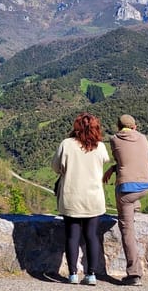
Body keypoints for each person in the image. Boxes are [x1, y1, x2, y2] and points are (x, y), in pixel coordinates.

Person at [52, 112, 110, 285]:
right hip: (93, 198)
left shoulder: (66, 144)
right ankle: (91, 274)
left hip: (71, 197)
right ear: (95, 128)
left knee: (72, 236)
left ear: (76, 127)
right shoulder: (100, 146)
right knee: (92, 236)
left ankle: (72, 274)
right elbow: (105, 161)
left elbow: (56, 167)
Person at [102, 114, 148, 286]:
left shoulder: (114, 139)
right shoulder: (144, 139)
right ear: (135, 127)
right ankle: (134, 208)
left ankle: (134, 274)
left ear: (118, 127)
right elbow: (140, 161)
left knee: (126, 229)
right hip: (146, 185)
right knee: (132, 201)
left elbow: (122, 159)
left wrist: (113, 168)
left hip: (126, 188)